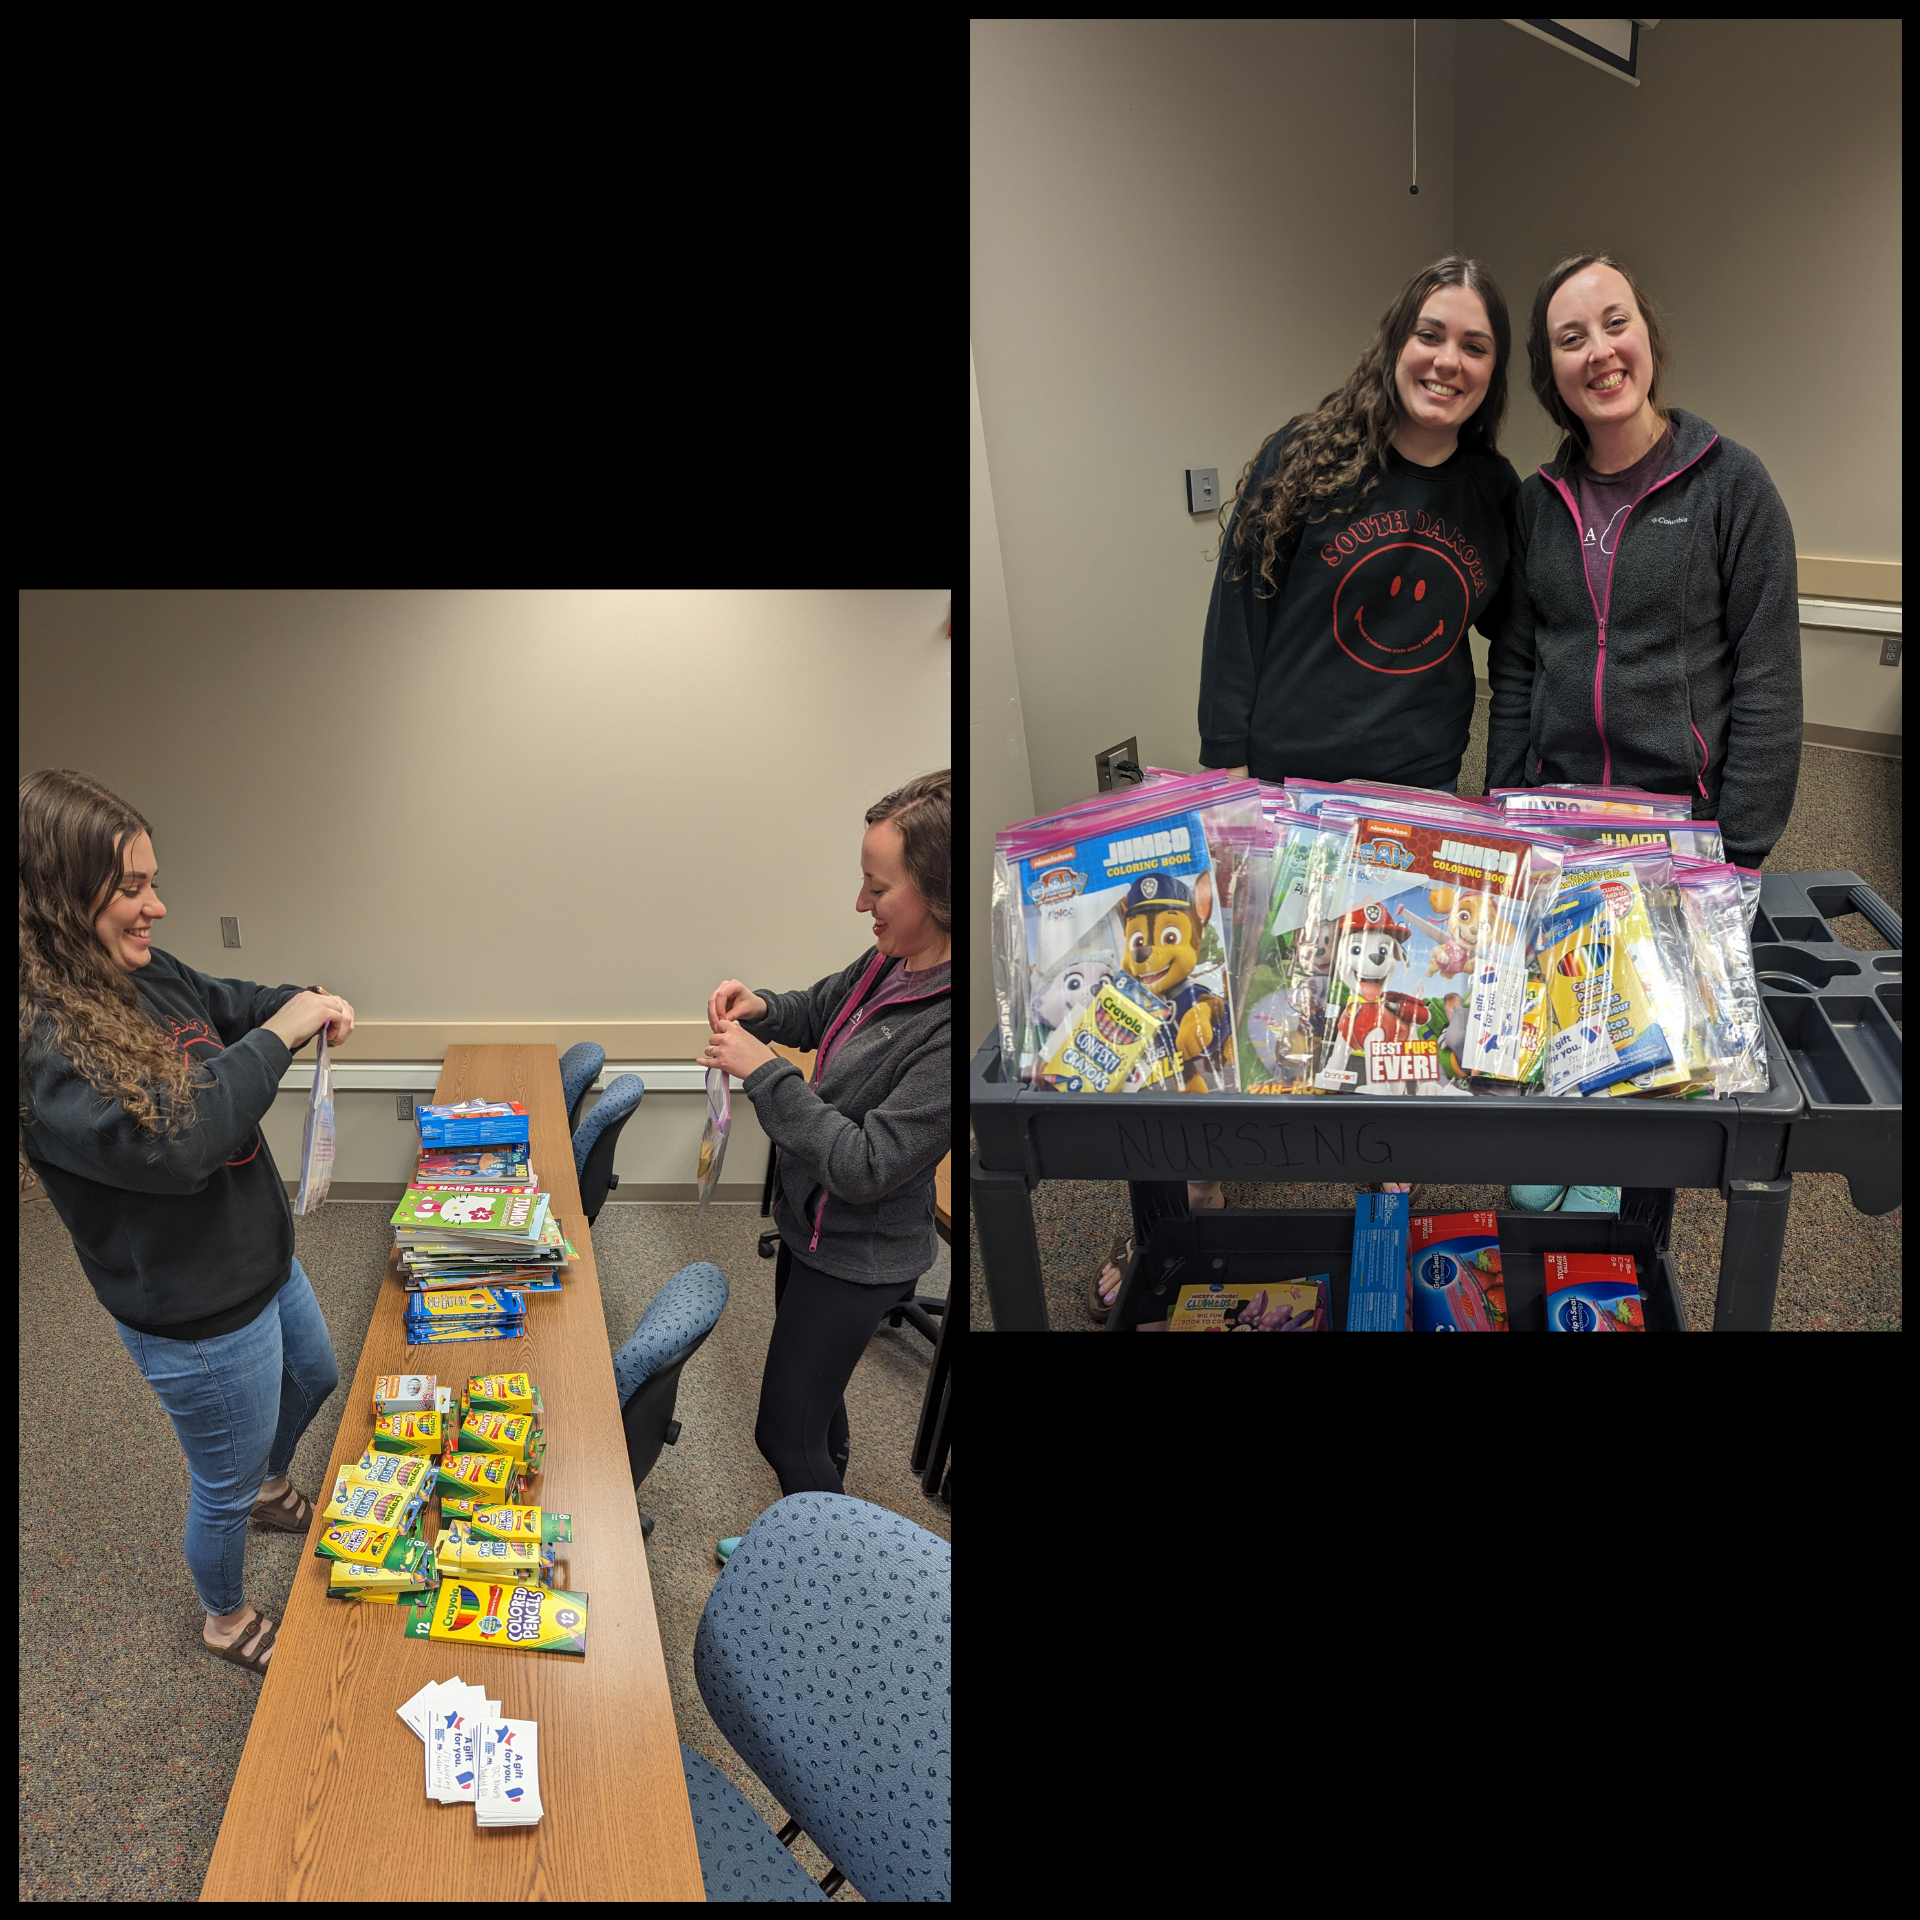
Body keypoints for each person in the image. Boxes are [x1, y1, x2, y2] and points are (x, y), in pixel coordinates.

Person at [1095, 256, 1523, 1320]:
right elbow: (1237, 614)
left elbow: (1510, 640)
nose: (1449, 360)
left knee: (1389, 1007)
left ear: (1494, 372)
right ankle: (1184, 1207)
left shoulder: (1492, 493)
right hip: (1282, 784)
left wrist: (1497, 793)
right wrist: (1227, 768)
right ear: (1395, 341)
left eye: (1475, 345)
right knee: (1244, 1006)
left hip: (1416, 791)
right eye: (1433, 333)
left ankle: (1388, 1187)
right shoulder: (1310, 455)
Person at [19, 770, 353, 1673]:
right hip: (195, 1311)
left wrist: (299, 1000)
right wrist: (280, 1036)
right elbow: (184, 1138)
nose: (156, 907)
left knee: (317, 1376)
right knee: (220, 1480)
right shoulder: (45, 1046)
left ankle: (269, 1483)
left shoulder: (144, 970)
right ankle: (224, 1614)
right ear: (57, 897)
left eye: (151, 883)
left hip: (261, 1255)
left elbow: (232, 1001)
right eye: (130, 888)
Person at [1489, 253, 1801, 1213]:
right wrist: (1501, 810)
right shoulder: (1538, 503)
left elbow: (1767, 675)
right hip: (1557, 825)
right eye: (1571, 338)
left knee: (1652, 1055)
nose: (1600, 352)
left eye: (1614, 323)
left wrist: (1739, 850)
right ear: (1552, 373)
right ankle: (1556, 1170)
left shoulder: (1731, 485)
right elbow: (1515, 666)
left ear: (1648, 338)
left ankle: (1628, 1220)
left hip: (1683, 838)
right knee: (1560, 1020)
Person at [696, 771, 950, 1562]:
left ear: (938, 892)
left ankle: (820, 1576)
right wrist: (762, 1007)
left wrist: (765, 1072)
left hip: (858, 1255)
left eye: (878, 887)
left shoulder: (949, 1022)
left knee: (785, 1430)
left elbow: (868, 1164)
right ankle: (806, 1539)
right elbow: (819, 1007)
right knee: (818, 1409)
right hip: (810, 1233)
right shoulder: (892, 957)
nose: (860, 903)